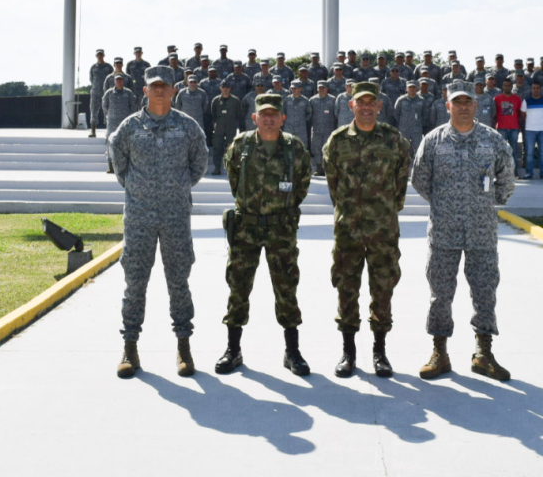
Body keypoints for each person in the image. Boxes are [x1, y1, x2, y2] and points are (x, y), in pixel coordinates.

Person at [411, 80, 516, 382]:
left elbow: (507, 177)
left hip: (482, 231)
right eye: (457, 102)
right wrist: (445, 203)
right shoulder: (433, 141)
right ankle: (439, 353)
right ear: (448, 106)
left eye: (468, 101)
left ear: (476, 105)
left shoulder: (492, 140)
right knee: (440, 293)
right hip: (444, 231)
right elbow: (420, 179)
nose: (463, 107)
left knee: (485, 292)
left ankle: (483, 354)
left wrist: (485, 204)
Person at [108, 66, 208, 378]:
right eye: (154, 86)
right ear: (145, 90)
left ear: (174, 90)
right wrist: (140, 190)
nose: (160, 91)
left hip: (176, 217)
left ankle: (183, 345)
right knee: (135, 283)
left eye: (165, 86)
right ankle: (130, 346)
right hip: (139, 217)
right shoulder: (129, 127)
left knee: (178, 282)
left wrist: (175, 189)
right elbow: (120, 165)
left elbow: (198, 164)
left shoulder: (187, 126)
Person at [216, 93, 312, 376]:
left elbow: (303, 182)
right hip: (246, 228)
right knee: (238, 286)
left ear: (283, 118)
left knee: (286, 287)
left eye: (274, 114)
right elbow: (233, 178)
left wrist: (283, 208)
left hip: (281, 229)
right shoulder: (241, 145)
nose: (269, 118)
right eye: (263, 114)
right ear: (254, 117)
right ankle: (233, 349)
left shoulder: (294, 147)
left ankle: (292, 351)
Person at [322, 81, 411, 378]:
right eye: (361, 102)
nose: (367, 107)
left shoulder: (394, 140)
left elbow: (401, 183)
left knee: (383, 288)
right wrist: (349, 210)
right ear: (352, 106)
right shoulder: (337, 141)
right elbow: (333, 185)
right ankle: (348, 351)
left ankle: (380, 351)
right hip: (348, 229)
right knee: (347, 288)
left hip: (383, 230)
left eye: (372, 103)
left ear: (380, 106)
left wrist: (385, 210)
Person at [102, 73, 136, 173]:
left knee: (126, 144)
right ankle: (110, 166)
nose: (119, 81)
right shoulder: (109, 93)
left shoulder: (129, 93)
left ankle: (126, 165)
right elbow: (105, 106)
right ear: (114, 81)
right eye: (117, 80)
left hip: (125, 123)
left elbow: (133, 106)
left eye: (121, 80)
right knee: (110, 143)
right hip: (112, 123)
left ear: (123, 81)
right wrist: (110, 115)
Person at [521, 82, 543, 180]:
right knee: (529, 153)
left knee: (542, 153)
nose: (536, 90)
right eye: (534, 88)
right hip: (530, 130)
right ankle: (529, 173)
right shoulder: (526, 101)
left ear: (540, 89)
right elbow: (523, 115)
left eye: (538, 88)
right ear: (531, 89)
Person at [210, 81, 242, 176]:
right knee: (217, 148)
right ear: (220, 88)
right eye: (223, 86)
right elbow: (213, 115)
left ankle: (231, 168)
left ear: (230, 88)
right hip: (219, 127)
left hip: (231, 127)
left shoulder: (235, 100)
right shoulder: (216, 100)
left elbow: (239, 115)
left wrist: (239, 129)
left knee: (231, 149)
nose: (225, 89)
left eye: (227, 87)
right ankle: (217, 168)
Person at [308, 82, 336, 176]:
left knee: (327, 148)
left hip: (328, 128)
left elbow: (336, 114)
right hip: (316, 128)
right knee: (316, 148)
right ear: (317, 89)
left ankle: (326, 168)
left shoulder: (332, 100)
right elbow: (309, 114)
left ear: (327, 88)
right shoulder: (312, 100)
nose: (322, 90)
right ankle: (319, 168)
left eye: (323, 88)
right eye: (320, 88)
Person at [493, 78, 522, 168]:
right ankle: (501, 172)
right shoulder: (497, 99)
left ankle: (515, 172)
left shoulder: (517, 99)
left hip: (514, 128)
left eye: (509, 85)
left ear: (512, 87)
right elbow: (494, 114)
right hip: (502, 128)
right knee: (501, 151)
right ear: (502, 87)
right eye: (505, 85)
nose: (507, 87)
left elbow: (520, 113)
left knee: (514, 150)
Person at [394, 81, 429, 155]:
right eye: (410, 87)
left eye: (413, 87)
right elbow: (396, 113)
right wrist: (402, 123)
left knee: (418, 149)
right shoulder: (401, 100)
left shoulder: (421, 100)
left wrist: (419, 123)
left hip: (417, 130)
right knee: (403, 149)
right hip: (404, 129)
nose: (412, 89)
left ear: (417, 89)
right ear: (406, 89)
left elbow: (425, 114)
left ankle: (417, 165)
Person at [89, 49, 114, 130]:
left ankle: (108, 129)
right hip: (95, 92)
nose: (100, 56)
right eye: (98, 54)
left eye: (101, 54)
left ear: (103, 55)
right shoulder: (93, 67)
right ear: (96, 56)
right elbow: (91, 79)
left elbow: (112, 78)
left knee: (107, 110)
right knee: (94, 110)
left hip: (106, 92)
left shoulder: (108, 67)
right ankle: (93, 129)